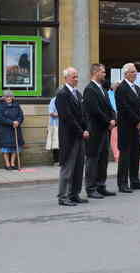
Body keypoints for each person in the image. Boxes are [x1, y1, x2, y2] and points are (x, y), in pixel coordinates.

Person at [55, 67, 89, 206]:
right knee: (67, 167)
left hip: (80, 136)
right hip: (69, 137)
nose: (76, 79)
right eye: (73, 77)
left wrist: (86, 129)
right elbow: (67, 117)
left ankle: (74, 194)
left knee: (79, 167)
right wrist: (81, 131)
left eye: (77, 76)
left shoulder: (78, 94)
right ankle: (63, 197)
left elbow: (83, 114)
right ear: (66, 78)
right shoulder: (62, 94)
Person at [83, 63, 117, 198]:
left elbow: (109, 107)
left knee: (103, 159)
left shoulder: (103, 88)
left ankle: (101, 185)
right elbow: (94, 110)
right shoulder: (89, 89)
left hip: (105, 130)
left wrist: (114, 119)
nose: (104, 74)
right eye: (102, 72)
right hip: (95, 129)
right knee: (93, 159)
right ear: (95, 73)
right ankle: (91, 188)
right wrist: (108, 121)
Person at [115, 63, 140, 192]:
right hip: (126, 127)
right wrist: (137, 121)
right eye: (133, 72)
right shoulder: (122, 88)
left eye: (135, 72)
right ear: (126, 74)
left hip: (137, 128)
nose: (135, 74)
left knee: (135, 155)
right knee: (125, 156)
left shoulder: (136, 88)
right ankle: (122, 183)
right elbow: (125, 108)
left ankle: (135, 180)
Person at [0, 90, 24, 169]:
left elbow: (21, 115)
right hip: (5, 130)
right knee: (6, 148)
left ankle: (12, 163)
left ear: (12, 97)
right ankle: (7, 164)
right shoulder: (0, 106)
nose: (9, 98)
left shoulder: (17, 105)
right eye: (7, 97)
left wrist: (18, 122)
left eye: (10, 96)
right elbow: (1, 118)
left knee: (15, 147)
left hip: (15, 129)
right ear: (4, 98)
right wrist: (12, 122)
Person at [108, 81, 120, 163]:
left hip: (122, 120)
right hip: (114, 120)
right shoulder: (109, 94)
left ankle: (119, 156)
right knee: (114, 138)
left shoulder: (120, 94)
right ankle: (117, 156)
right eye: (116, 86)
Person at [46, 97, 60, 165]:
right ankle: (56, 161)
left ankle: (62, 160)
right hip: (55, 125)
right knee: (55, 143)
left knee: (63, 143)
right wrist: (62, 114)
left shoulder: (65, 99)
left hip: (64, 125)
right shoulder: (53, 100)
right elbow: (51, 113)